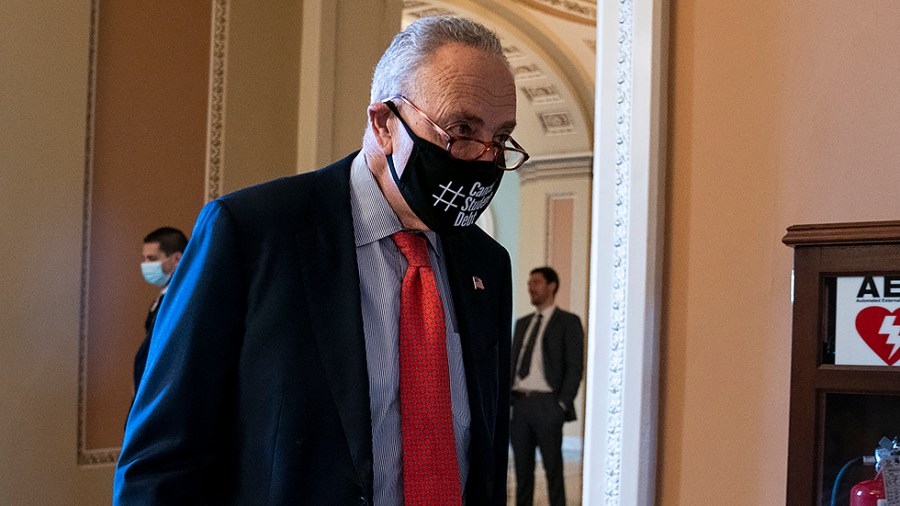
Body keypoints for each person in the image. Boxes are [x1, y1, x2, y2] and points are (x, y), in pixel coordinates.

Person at [114, 15, 530, 505]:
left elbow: (481, 454)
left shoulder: (487, 264)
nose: (484, 158)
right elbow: (160, 462)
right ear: (383, 123)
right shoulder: (252, 233)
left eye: (500, 138)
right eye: (461, 128)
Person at [510, 266, 584, 506]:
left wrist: (561, 404)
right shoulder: (522, 324)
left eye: (536, 282)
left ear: (551, 286)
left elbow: (575, 366)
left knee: (553, 471)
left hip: (548, 405)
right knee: (522, 473)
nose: (530, 287)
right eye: (529, 283)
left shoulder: (568, 322)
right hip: (519, 404)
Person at [134, 226, 187, 392]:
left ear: (177, 259)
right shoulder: (163, 298)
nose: (145, 265)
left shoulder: (180, 301)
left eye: (152, 258)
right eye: (144, 258)